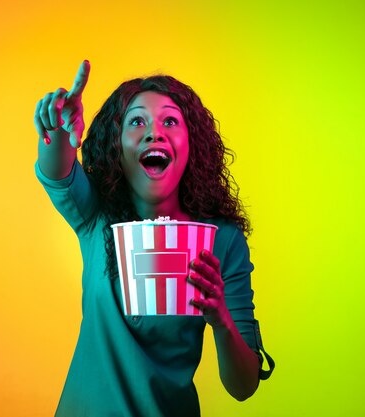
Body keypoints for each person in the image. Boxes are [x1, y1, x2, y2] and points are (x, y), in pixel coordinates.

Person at [34, 60, 274, 417]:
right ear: (117, 144)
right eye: (136, 121)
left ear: (192, 143)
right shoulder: (95, 216)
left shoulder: (221, 240)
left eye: (170, 121)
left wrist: (221, 320)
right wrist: (59, 131)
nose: (154, 132)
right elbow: (58, 169)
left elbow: (244, 385)